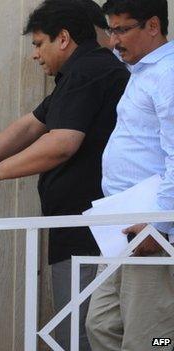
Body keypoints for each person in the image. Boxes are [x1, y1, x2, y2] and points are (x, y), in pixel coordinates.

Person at [0, 0, 129, 349]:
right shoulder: (75, 76)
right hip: (77, 234)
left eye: (38, 43)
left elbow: (62, 143)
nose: (34, 54)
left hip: (90, 237)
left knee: (84, 338)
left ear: (63, 38)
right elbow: (30, 126)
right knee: (77, 334)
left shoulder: (90, 70)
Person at [85, 1, 174, 350]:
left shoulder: (167, 74)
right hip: (123, 228)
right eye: (110, 30)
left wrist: (160, 224)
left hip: (150, 228)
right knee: (102, 325)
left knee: (152, 339)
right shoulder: (144, 73)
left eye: (122, 30)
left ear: (153, 26)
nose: (113, 41)